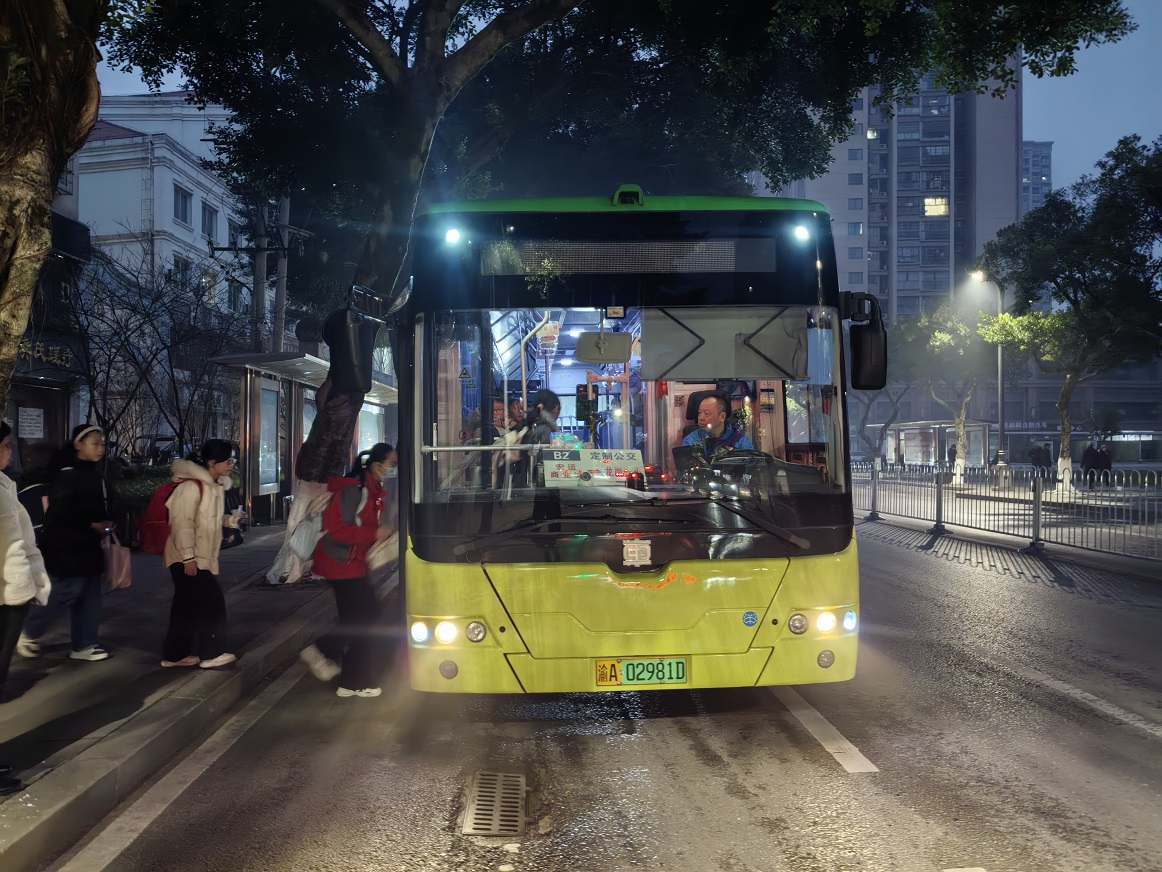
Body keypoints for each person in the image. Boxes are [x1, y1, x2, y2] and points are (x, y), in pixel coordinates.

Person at [299, 443, 396, 698]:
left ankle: (350, 681)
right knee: (364, 618)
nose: (393, 469)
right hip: (340, 563)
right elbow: (337, 530)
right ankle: (326, 653)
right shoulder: (354, 490)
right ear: (376, 465)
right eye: (391, 464)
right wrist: (375, 533)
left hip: (351, 562)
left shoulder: (371, 490)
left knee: (361, 619)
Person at [17, 425, 116, 662]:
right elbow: (59, 512)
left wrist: (106, 522)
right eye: (95, 443)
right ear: (78, 444)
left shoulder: (90, 472)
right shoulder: (68, 473)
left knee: (89, 596)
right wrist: (92, 524)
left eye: (102, 444)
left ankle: (84, 645)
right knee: (65, 592)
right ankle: (27, 628)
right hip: (68, 547)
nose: (101, 448)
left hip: (86, 546)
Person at [0, 422, 52, 795]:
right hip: (6, 594)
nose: (10, 451)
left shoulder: (3, 483)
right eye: (5, 444)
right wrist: (24, 584)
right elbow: (12, 545)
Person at [160, 440, 237, 669]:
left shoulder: (213, 486)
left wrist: (230, 520)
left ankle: (175, 655)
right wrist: (188, 558)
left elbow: (208, 518)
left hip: (195, 556)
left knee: (186, 606)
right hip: (188, 557)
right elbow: (181, 523)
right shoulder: (191, 487)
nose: (231, 465)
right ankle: (212, 652)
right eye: (228, 461)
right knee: (211, 603)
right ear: (212, 462)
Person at [682, 394, 754, 455]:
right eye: (699, 413)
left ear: (722, 417)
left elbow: (751, 463)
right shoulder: (691, 440)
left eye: (706, 413)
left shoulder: (740, 440)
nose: (701, 418)